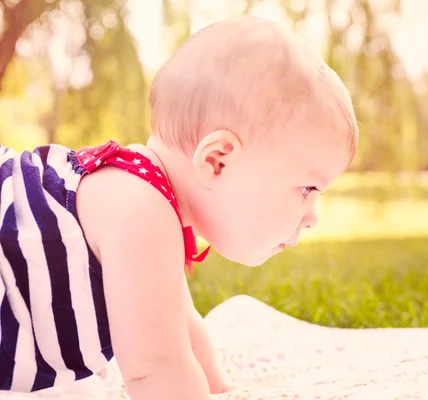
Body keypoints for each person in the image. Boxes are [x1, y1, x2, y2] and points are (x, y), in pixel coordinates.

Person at [0, 15, 358, 400]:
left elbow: (181, 330)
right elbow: (156, 367)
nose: (313, 216)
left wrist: (222, 389)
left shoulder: (150, 202)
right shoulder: (141, 211)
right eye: (306, 188)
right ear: (218, 161)